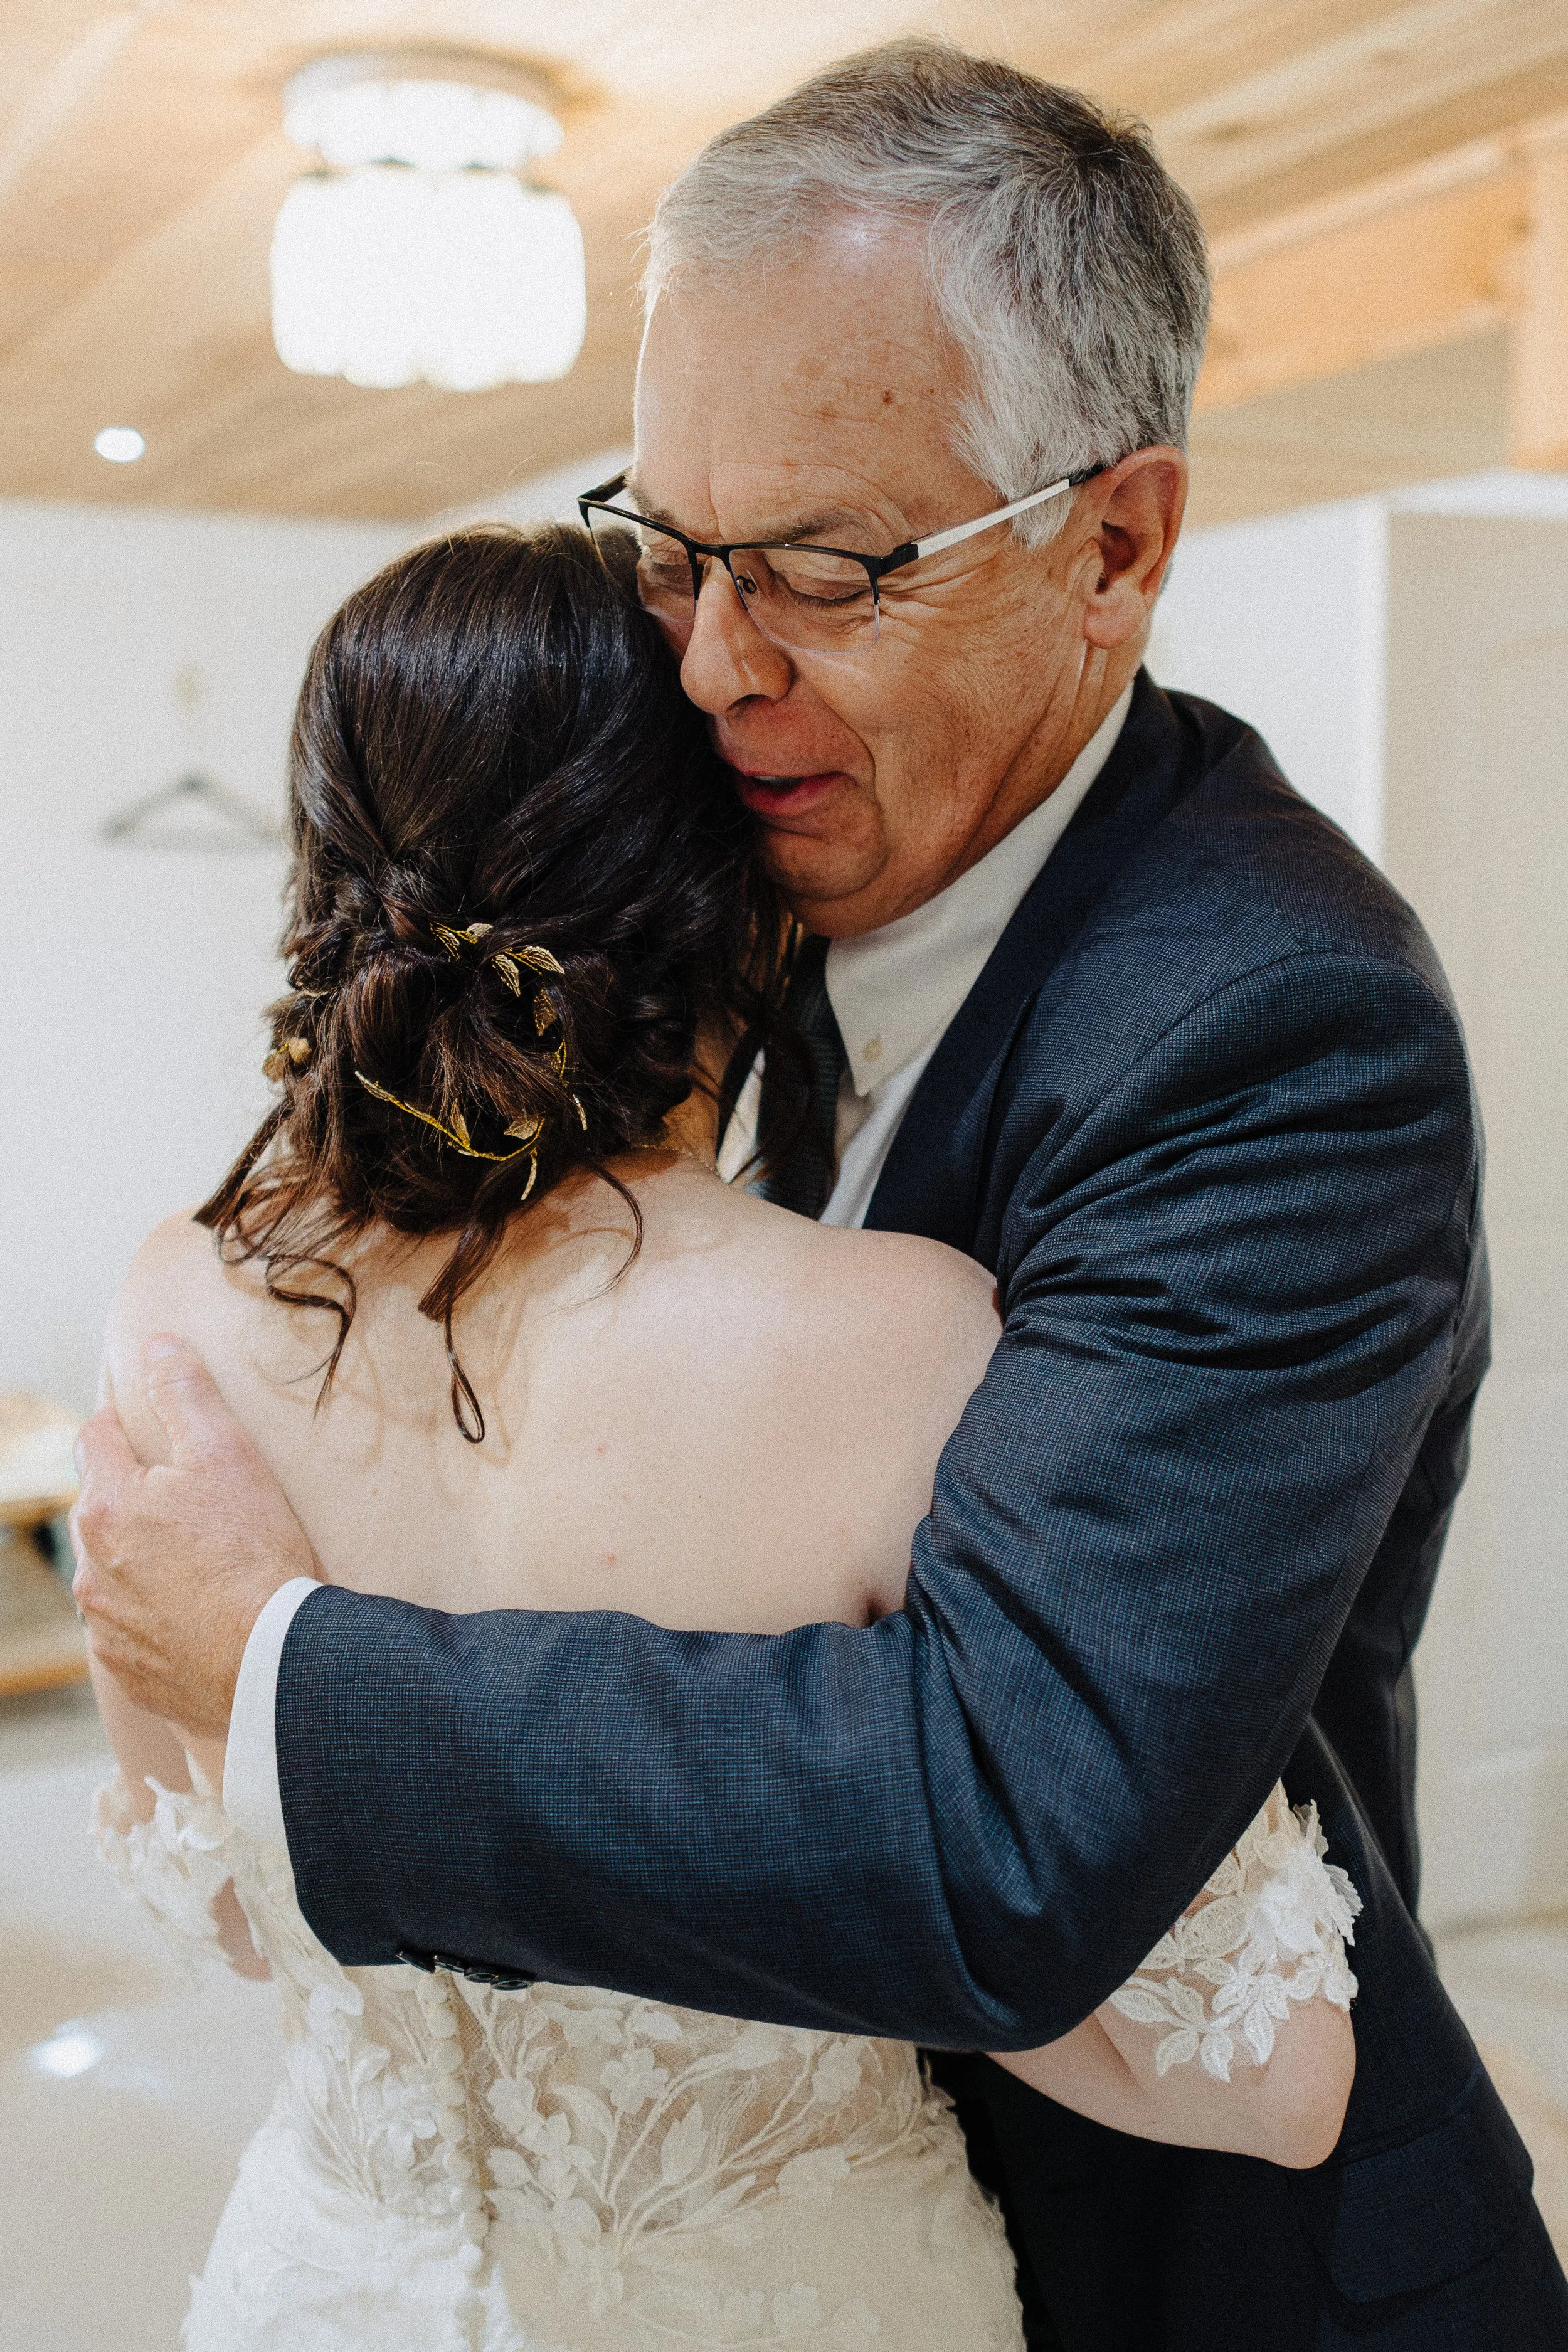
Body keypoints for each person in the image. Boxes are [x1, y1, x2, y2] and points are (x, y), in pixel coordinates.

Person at [72, 38, 1568, 2352]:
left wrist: (292, 1675)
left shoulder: (1275, 1020)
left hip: (1175, 2268)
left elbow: (1009, 1819)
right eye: (662, 542)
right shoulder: (703, 863)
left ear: (1114, 542)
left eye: (825, 566)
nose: (706, 655)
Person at [91, 519, 1360, 2351]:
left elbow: (220, 1892)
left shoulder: (179, 1300)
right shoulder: (898, 1338)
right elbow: (1253, 2064)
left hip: (331, 2285)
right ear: (733, 878)